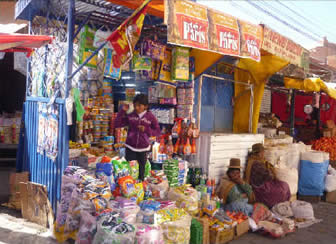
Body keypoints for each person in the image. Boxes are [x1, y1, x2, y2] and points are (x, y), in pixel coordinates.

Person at [115, 94, 160, 181]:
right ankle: (129, 187)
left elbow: (157, 131)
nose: (136, 108)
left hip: (143, 148)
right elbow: (118, 124)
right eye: (135, 105)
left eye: (139, 105)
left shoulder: (151, 117)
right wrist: (122, 111)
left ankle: (141, 189)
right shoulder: (131, 115)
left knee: (141, 172)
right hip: (130, 146)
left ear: (145, 106)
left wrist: (146, 130)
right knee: (130, 171)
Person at [245, 143, 291, 208]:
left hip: (265, 183)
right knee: (281, 190)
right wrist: (272, 171)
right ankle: (278, 205)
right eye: (263, 152)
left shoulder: (258, 161)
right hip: (259, 188)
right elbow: (268, 176)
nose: (264, 153)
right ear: (259, 153)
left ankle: (283, 203)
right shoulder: (256, 164)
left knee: (284, 184)